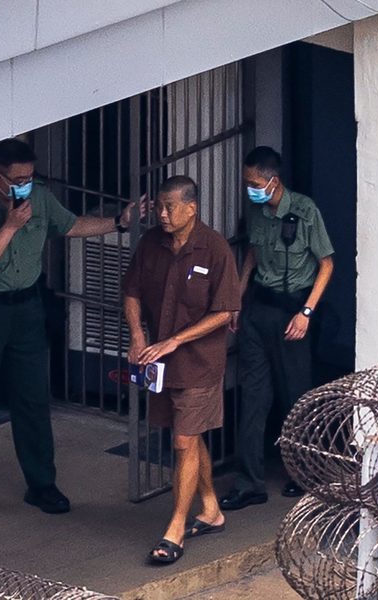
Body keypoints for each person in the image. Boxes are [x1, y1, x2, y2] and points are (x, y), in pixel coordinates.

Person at [0, 138, 145, 515]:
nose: (25, 183)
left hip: (26, 307)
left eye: (29, 176)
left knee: (33, 398)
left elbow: (70, 225)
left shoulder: (38, 198)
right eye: (18, 178)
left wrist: (119, 223)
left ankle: (41, 483)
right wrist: (8, 228)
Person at [123, 175, 241, 564]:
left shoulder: (215, 249)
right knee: (187, 436)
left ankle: (175, 530)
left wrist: (176, 340)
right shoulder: (151, 244)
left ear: (192, 208)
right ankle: (211, 509)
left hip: (201, 363)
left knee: (183, 443)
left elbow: (226, 310)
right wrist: (138, 336)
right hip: (160, 362)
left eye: (169, 206)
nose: (162, 213)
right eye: (158, 205)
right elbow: (132, 291)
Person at [219, 146, 334, 511]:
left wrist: (306, 312)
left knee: (296, 398)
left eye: (255, 183)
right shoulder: (257, 210)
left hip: (292, 313)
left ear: (274, 180)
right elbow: (252, 253)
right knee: (253, 398)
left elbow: (327, 264)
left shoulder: (304, 211)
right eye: (247, 183)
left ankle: (304, 474)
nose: (250, 188)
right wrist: (237, 298)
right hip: (259, 310)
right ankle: (249, 481)